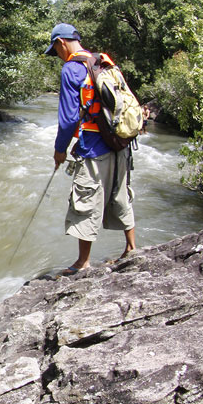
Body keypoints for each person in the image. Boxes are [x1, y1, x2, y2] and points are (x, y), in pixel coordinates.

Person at [44, 23, 136, 275]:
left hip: (94, 147)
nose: (57, 57)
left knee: (86, 199)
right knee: (120, 193)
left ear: (61, 43)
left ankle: (83, 263)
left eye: (55, 51)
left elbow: (69, 119)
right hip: (121, 141)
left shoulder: (71, 69)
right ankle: (131, 248)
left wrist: (60, 149)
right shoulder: (104, 62)